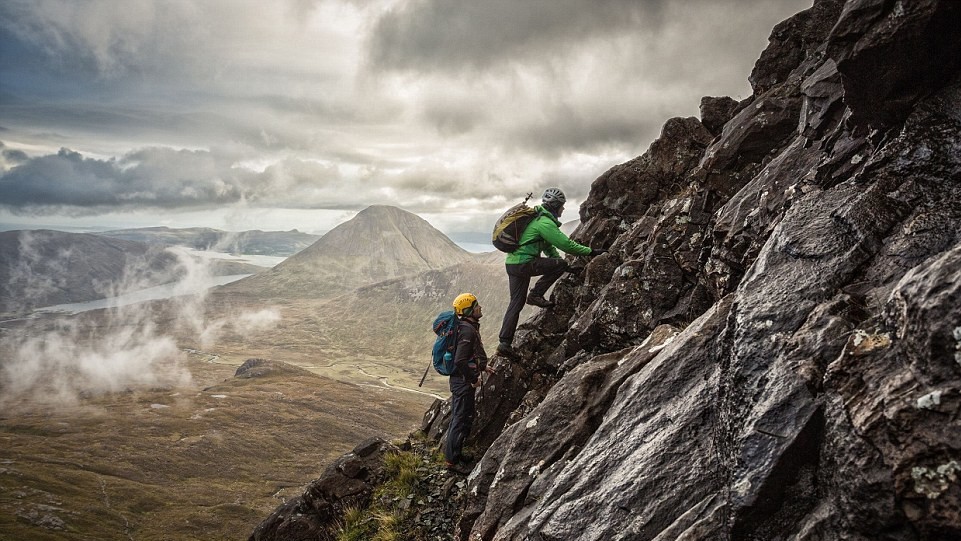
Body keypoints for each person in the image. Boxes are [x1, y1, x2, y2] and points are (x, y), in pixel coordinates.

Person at [496, 187, 605, 358]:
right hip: (524, 264)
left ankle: (504, 343)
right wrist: (591, 252)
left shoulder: (537, 221)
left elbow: (548, 248)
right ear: (555, 206)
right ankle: (536, 294)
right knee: (557, 266)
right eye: (561, 206)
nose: (563, 209)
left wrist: (564, 266)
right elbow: (567, 245)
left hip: (512, 264)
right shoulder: (544, 223)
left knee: (516, 303)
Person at [444, 292, 495, 474]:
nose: (480, 308)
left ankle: (456, 454)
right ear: (468, 310)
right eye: (476, 306)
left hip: (463, 380)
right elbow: (460, 360)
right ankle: (451, 461)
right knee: (459, 419)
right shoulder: (466, 330)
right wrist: (473, 380)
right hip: (463, 382)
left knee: (464, 417)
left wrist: (483, 367)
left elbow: (471, 354)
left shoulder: (467, 327)